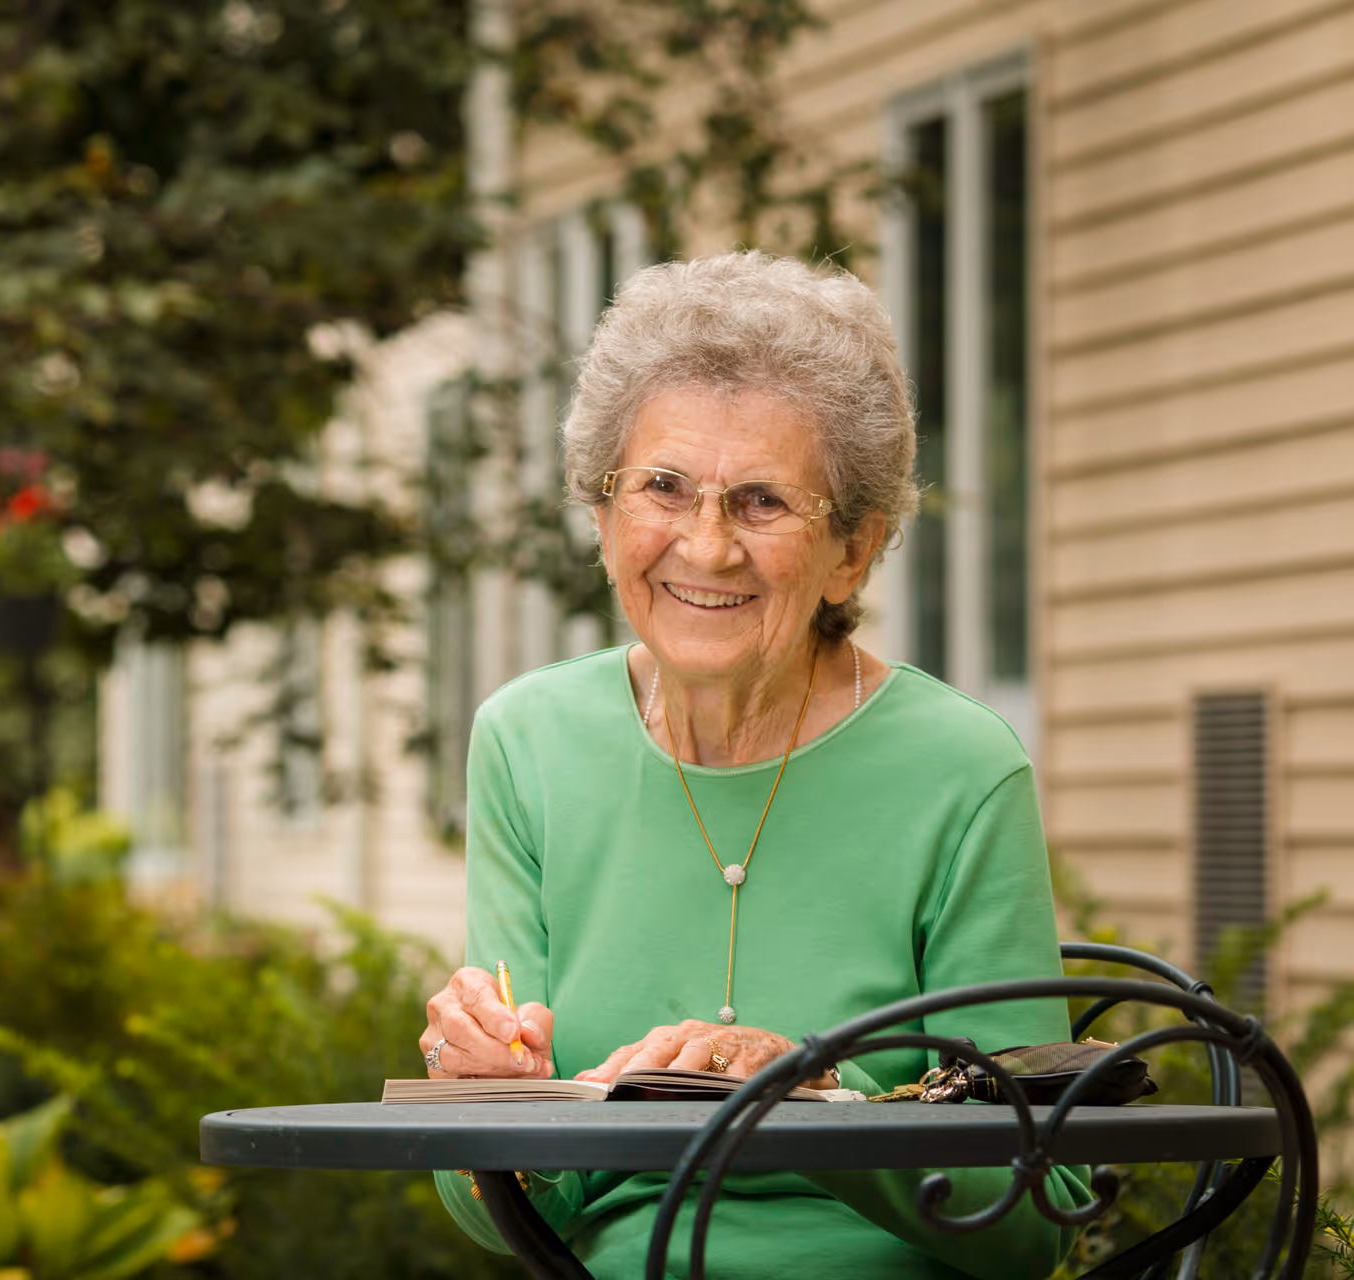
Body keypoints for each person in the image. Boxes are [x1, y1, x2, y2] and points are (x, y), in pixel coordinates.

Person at [420, 252, 1089, 1279]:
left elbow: (1033, 1217)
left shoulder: (960, 766)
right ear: (602, 517)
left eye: (764, 501)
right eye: (663, 488)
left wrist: (815, 1101)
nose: (708, 544)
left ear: (854, 551)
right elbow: (500, 1213)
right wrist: (483, 1096)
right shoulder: (529, 740)